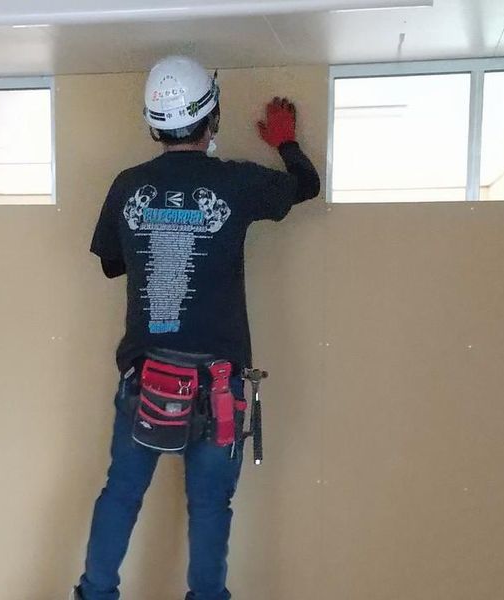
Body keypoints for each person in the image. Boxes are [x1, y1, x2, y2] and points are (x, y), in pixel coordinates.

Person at [72, 55, 320, 600]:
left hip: (145, 378)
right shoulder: (236, 182)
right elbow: (306, 185)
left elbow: (112, 263)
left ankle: (94, 594)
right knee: (210, 507)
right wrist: (285, 141)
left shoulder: (128, 186)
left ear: (153, 125)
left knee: (121, 494)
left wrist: (157, 238)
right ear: (212, 116)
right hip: (218, 384)